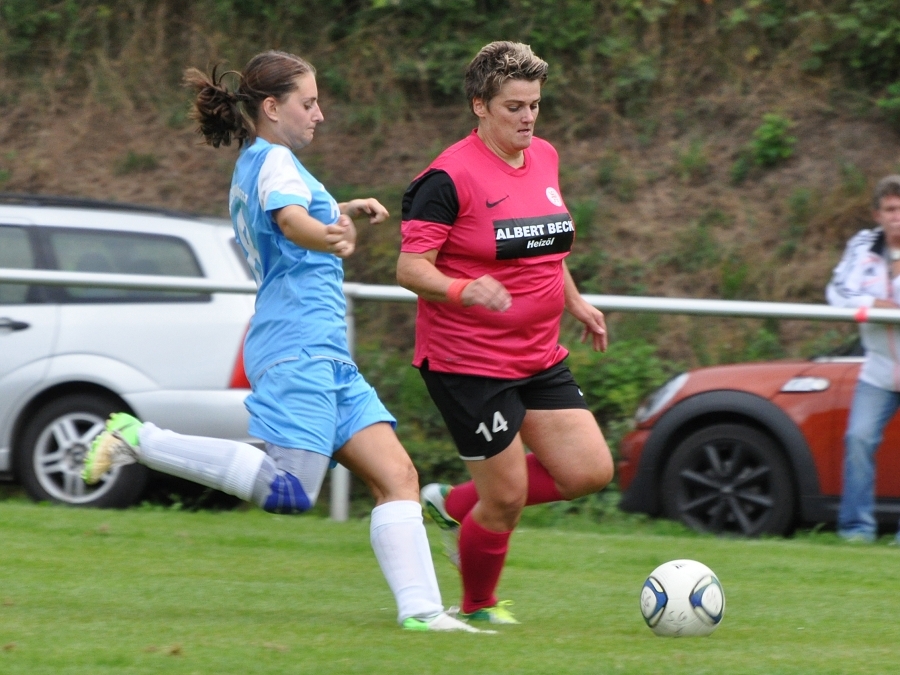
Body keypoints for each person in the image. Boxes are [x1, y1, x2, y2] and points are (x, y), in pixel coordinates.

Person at [81, 50, 483, 633]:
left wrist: (341, 210)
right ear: (271, 108)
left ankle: (421, 613)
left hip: (322, 351)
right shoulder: (275, 160)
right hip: (298, 344)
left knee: (397, 476)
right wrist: (330, 235)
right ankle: (139, 438)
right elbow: (292, 223)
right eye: (308, 103)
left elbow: (290, 214)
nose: (319, 114)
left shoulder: (258, 163)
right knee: (289, 490)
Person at [396, 41, 615, 624]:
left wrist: (575, 301)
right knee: (507, 497)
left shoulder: (544, 156)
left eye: (534, 105)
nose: (527, 118)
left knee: (589, 470)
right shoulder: (446, 178)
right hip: (468, 363)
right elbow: (410, 269)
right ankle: (477, 606)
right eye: (514, 107)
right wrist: (463, 289)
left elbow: (545, 245)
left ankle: (450, 503)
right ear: (480, 105)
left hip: (538, 355)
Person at [827, 174, 900, 544]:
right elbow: (838, 293)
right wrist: (877, 304)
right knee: (858, 438)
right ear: (878, 214)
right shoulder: (862, 245)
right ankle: (857, 530)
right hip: (879, 370)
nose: (897, 216)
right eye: (890, 209)